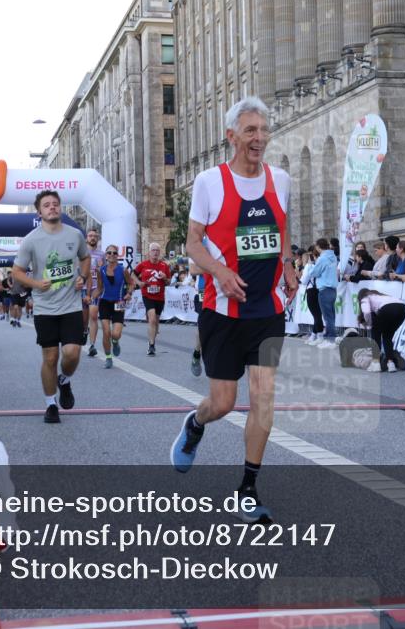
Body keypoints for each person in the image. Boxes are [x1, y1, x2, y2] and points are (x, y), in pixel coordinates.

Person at [170, 95, 298, 523]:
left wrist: (290, 265)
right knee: (222, 403)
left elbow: (281, 229)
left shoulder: (280, 179)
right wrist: (221, 271)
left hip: (267, 311)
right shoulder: (210, 182)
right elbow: (191, 243)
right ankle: (195, 423)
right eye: (250, 130)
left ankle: (247, 489)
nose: (258, 138)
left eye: (263, 130)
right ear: (232, 136)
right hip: (221, 312)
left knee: (263, 399)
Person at [12, 190, 90, 424]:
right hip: (45, 308)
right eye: (47, 205)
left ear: (60, 208)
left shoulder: (75, 235)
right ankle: (50, 405)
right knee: (50, 357)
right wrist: (35, 283)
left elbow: (85, 258)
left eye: (55, 204)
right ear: (39, 212)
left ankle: (64, 380)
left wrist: (83, 278)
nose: (52, 208)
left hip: (71, 305)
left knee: (72, 353)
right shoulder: (31, 240)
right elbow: (16, 272)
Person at [90, 244, 133, 369]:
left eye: (114, 253)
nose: (112, 255)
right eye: (109, 253)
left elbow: (131, 283)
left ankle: (115, 342)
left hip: (119, 302)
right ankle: (108, 357)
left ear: (118, 255)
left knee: (116, 334)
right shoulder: (101, 270)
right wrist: (91, 297)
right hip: (104, 302)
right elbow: (99, 288)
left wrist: (129, 293)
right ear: (106, 255)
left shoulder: (123, 270)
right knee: (106, 331)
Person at [356, 288, 405, 373]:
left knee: (375, 331)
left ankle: (376, 363)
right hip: (403, 308)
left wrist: (369, 324)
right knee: (387, 335)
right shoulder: (381, 296)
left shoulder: (365, 297)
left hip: (388, 308)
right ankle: (390, 364)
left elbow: (366, 312)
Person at [133, 242, 171, 356]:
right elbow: (132, 274)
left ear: (159, 253)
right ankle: (151, 345)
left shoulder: (164, 266)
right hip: (147, 295)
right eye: (153, 250)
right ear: (149, 252)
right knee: (152, 318)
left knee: (156, 321)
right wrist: (139, 282)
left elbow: (169, 282)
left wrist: (165, 278)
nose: (155, 252)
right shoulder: (143, 264)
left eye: (157, 250)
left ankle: (152, 338)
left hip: (160, 297)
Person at [307, 238, 338, 350]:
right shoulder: (333, 256)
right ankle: (329, 338)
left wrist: (312, 266)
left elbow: (314, 272)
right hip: (333, 289)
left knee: (327, 316)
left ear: (318, 247)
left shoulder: (322, 258)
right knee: (331, 315)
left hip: (324, 288)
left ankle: (331, 340)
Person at [84, 229, 105, 357]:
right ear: (86, 238)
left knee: (93, 315)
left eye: (95, 236)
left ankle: (92, 345)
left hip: (95, 288)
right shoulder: (81, 253)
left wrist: (101, 268)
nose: (93, 238)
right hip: (82, 289)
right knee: (83, 317)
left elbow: (105, 272)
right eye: (90, 236)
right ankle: (84, 330)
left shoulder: (102, 254)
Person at [301, 247, 324, 345]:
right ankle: (314, 334)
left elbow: (304, 280)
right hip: (321, 289)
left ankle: (320, 335)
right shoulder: (323, 264)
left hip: (311, 290)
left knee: (316, 314)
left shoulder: (309, 266)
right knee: (318, 313)